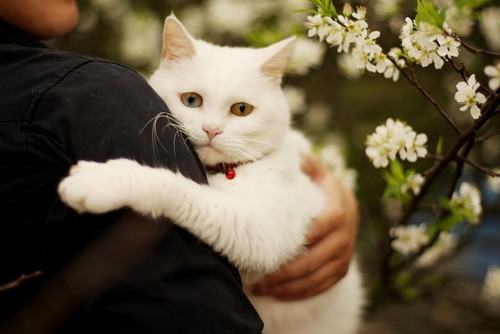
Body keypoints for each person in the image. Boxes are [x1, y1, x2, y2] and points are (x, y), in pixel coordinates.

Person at [0, 1, 359, 333]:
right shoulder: (93, 94)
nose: (212, 128)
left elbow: (257, 247)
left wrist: (151, 187)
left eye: (241, 110)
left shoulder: (275, 157)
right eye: (192, 100)